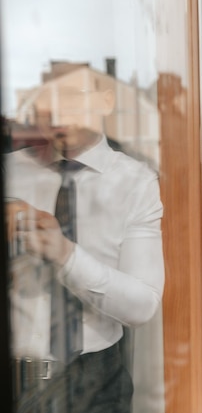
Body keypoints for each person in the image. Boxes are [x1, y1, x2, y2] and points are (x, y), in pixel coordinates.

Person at [4, 82, 164, 413]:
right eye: (49, 98)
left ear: (106, 100)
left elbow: (142, 306)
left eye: (71, 94)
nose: (58, 110)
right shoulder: (9, 173)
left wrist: (66, 255)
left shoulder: (136, 182)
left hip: (96, 384)